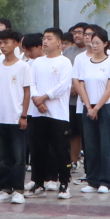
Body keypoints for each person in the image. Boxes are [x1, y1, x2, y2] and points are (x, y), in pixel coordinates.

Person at [28, 28, 74, 199]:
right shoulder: (37, 62)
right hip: (38, 113)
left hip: (58, 114)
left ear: (59, 42)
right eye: (44, 38)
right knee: (38, 150)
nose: (45, 41)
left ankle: (64, 184)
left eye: (49, 38)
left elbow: (63, 86)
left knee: (60, 150)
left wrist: (44, 97)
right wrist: (37, 100)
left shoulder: (64, 62)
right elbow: (31, 83)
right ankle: (38, 182)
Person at [73, 27, 110, 194]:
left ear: (105, 44)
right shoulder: (85, 63)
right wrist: (88, 107)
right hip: (88, 106)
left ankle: (105, 181)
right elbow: (82, 86)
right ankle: (92, 180)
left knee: (105, 145)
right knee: (91, 145)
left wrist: (97, 107)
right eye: (93, 43)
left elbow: (109, 89)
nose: (94, 45)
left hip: (104, 106)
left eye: (98, 43)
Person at [0, 29, 32, 203]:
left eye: (6, 42)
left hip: (16, 117)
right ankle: (5, 188)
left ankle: (18, 189)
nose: (3, 46)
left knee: (18, 156)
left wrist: (24, 115)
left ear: (16, 44)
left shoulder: (23, 66)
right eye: (1, 42)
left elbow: (27, 92)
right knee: (3, 157)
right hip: (1, 118)